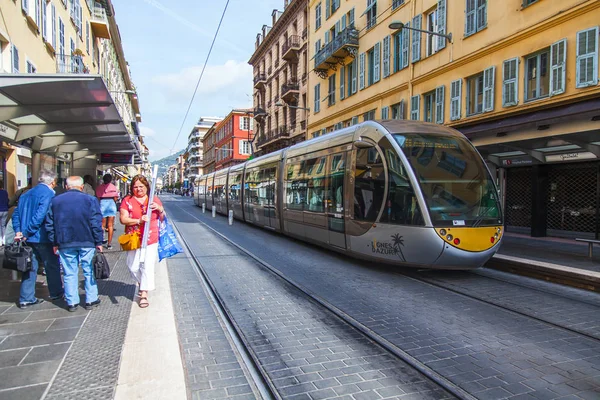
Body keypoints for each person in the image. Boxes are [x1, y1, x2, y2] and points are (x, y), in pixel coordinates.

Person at [46, 176, 104, 312]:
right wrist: (98, 241)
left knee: (69, 272)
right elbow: (96, 222)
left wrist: (54, 241)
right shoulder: (90, 200)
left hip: (65, 241)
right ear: (82, 187)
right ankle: (91, 299)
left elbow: (50, 224)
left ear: (66, 187)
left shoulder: (55, 201)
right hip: (87, 240)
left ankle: (72, 302)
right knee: (89, 270)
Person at [13, 170, 63, 308]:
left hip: (26, 238)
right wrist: (28, 231)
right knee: (51, 265)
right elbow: (41, 215)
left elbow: (16, 214)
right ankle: (56, 293)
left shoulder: (25, 194)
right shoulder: (49, 194)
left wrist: (19, 231)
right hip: (42, 237)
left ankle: (26, 298)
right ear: (52, 182)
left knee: (29, 267)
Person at [119, 175, 165, 308]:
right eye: (135, 186)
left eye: (141, 186)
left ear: (146, 187)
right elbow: (123, 219)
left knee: (147, 265)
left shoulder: (153, 200)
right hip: (133, 238)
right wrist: (138, 220)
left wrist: (159, 208)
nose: (138, 189)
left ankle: (143, 292)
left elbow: (162, 218)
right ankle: (143, 282)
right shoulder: (127, 200)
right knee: (133, 266)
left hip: (151, 237)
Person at [96, 174, 119, 250]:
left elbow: (98, 197)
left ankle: (101, 240)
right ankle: (109, 244)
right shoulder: (113, 187)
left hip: (103, 204)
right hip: (111, 204)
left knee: (102, 225)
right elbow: (116, 198)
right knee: (110, 225)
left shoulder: (99, 187)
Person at [0, 181, 9, 246]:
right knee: (3, 225)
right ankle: (4, 240)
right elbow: (7, 200)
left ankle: (0, 241)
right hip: (5, 210)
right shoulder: (5, 192)